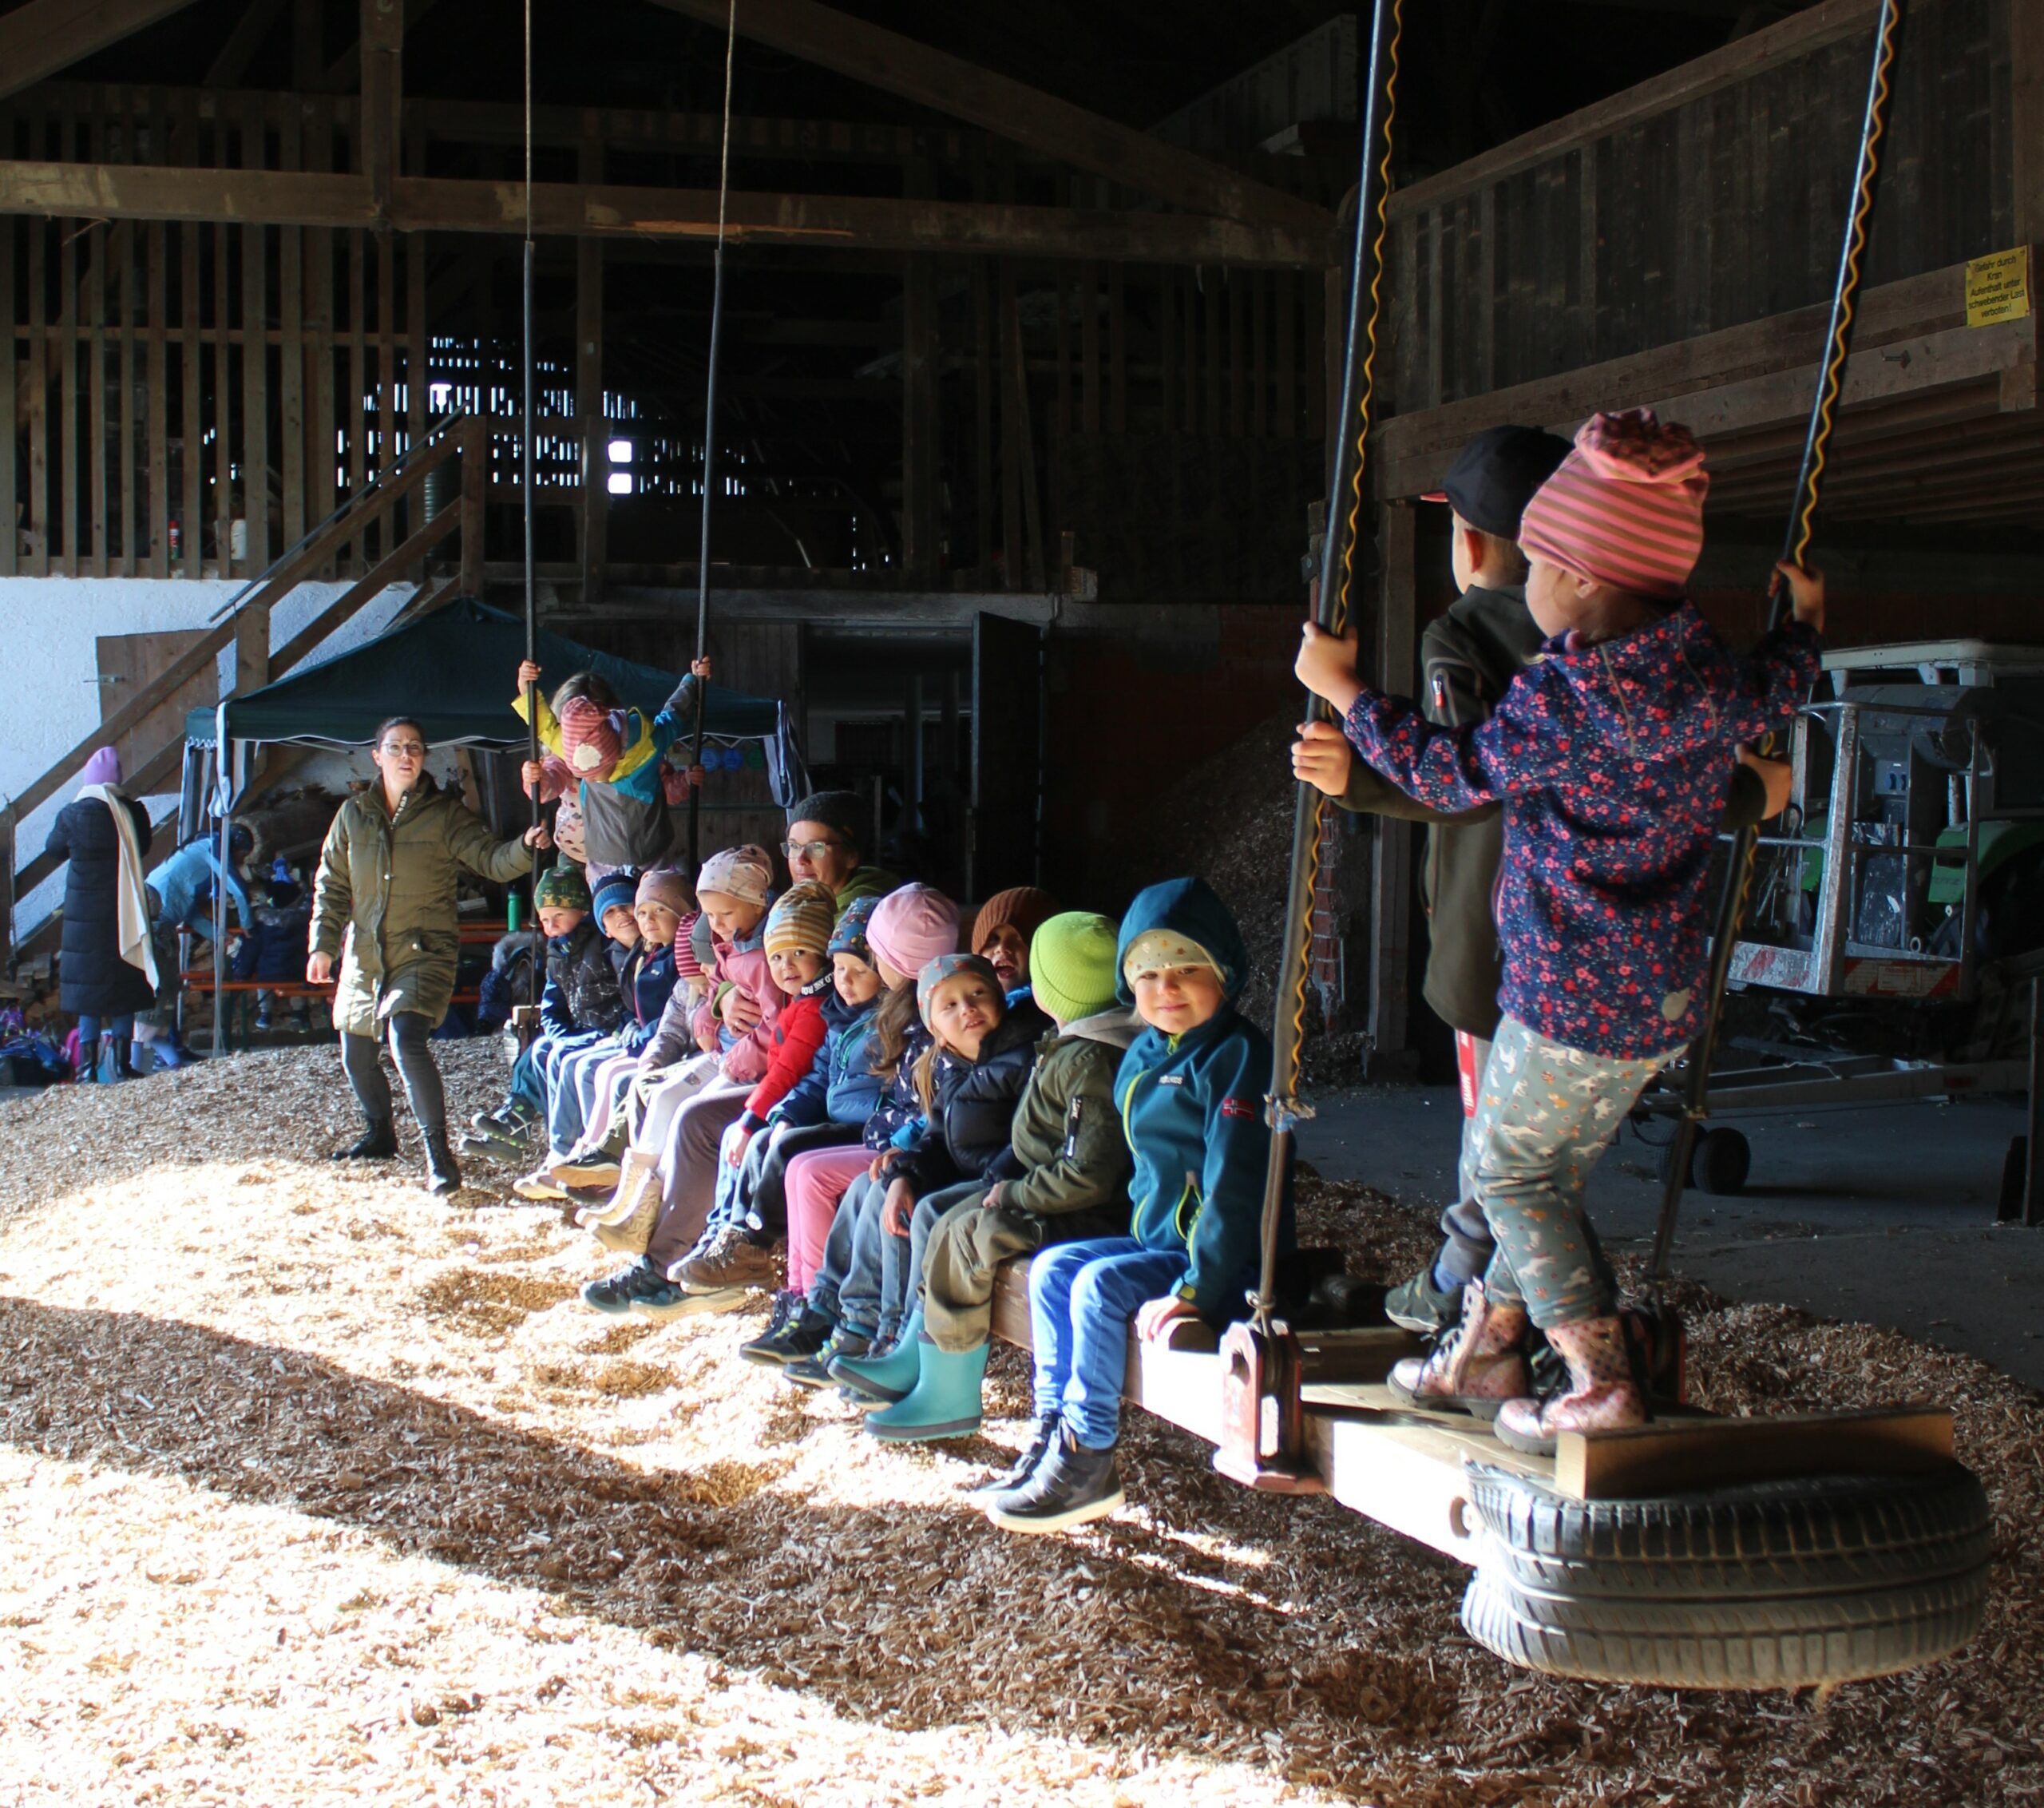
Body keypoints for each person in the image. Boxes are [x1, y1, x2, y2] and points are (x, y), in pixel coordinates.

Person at [1294, 407, 1823, 1450]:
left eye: (1538, 559)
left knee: (1511, 1177)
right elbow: (1785, 681)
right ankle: (1485, 1347)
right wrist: (1803, 619)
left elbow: (1452, 772)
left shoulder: (1566, 697)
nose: (1526, 584)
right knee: (1541, 1165)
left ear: (1577, 577)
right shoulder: (1708, 674)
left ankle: (1596, 1375)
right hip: (1662, 996)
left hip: (1568, 990)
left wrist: (1344, 690)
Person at [986, 877, 1288, 1534]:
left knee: (1095, 1286)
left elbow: (1235, 1186)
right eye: (1147, 975)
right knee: (1053, 1269)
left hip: (1226, 1266)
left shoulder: (1237, 1056)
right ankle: (1051, 1431)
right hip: (1159, 1244)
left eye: (1187, 969)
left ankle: (1089, 1456)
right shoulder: (1144, 1053)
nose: (1167, 988)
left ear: (1224, 973)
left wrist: (1196, 1289)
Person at [861, 911, 1139, 1443]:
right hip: (1050, 1191)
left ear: (1053, 988)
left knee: (968, 1231)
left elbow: (1087, 1171)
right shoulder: (1069, 1044)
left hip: (1089, 1213)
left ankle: (950, 1391)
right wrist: (910, 1169)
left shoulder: (1087, 1058)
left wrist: (1009, 1191)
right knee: (946, 1220)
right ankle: (925, 1358)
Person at [309, 715, 549, 1195]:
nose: (405, 756)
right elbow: (331, 885)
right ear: (377, 757)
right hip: (363, 955)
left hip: (424, 950)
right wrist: (321, 944)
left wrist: (524, 847)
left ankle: (438, 1154)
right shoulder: (353, 815)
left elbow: (492, 861)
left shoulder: (444, 815)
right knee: (356, 1053)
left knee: (405, 1038)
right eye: (395, 748)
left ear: (423, 757)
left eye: (414, 748)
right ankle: (379, 1134)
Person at [744, 882, 959, 1374]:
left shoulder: (920, 1016)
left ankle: (834, 1316)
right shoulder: (893, 1010)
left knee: (814, 1174)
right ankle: (809, 1302)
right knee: (799, 1165)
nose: (849, 976)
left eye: (871, 958)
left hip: (903, 1146)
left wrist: (901, 1148)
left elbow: (927, 1107)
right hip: (889, 1140)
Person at [828, 952, 1046, 1406]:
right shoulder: (953, 1071)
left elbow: (1030, 1141)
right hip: (980, 1182)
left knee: (930, 1210)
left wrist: (986, 1183)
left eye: (978, 994)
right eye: (948, 1006)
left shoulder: (1023, 1056)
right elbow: (938, 1139)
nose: (967, 1008)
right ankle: (889, 1335)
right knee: (901, 1196)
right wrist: (905, 1174)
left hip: (1011, 1182)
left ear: (1000, 999)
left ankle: (917, 1346)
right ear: (933, 1027)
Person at [577, 844, 783, 1314]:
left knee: (693, 1118)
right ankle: (649, 1221)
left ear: (755, 901)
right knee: (674, 1103)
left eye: (723, 912)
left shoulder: (770, 952)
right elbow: (705, 1007)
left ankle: (669, 1254)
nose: (715, 925)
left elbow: (776, 1032)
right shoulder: (734, 943)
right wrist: (713, 1014)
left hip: (758, 1070)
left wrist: (729, 1056)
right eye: (709, 914)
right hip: (736, 1059)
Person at [659, 878, 842, 1311]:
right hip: (787, 1095)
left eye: (800, 952)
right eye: (777, 955)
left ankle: (738, 1240)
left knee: (743, 1137)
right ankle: (719, 1233)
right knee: (725, 1132)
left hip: (800, 1101)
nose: (786, 965)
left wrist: (752, 1118)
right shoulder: (800, 1002)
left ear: (823, 954)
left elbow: (789, 1070)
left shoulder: (815, 1009)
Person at [536, 867, 688, 1187]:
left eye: (658, 911)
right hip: (640, 1038)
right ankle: (573, 1154)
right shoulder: (641, 953)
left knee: (599, 1071)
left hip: (666, 1046)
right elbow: (632, 1008)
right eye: (642, 911)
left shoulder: (677, 955)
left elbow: (677, 1013)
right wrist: (629, 1027)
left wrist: (632, 1033)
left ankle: (608, 1166)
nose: (636, 918)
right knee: (563, 1058)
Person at [513, 655, 711, 870]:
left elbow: (674, 714)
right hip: (580, 855)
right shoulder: (566, 749)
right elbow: (544, 728)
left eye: (599, 772)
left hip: (646, 851)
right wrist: (536, 779)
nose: (593, 779)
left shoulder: (646, 747)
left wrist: (693, 683)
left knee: (653, 895)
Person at [509, 868, 632, 1200]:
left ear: (580, 910)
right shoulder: (556, 950)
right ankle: (546, 1140)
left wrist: (606, 1032)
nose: (550, 926)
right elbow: (552, 1003)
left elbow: (624, 996)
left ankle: (574, 1152)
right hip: (579, 1030)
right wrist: (561, 1036)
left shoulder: (603, 944)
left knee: (575, 1063)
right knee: (543, 1050)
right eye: (544, 920)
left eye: (558, 916)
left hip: (607, 1030)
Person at [46, 745, 156, 1080]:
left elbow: (53, 849)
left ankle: (86, 1070)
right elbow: (145, 846)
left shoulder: (71, 814)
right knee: (124, 983)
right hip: (123, 910)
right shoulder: (131, 811)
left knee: (89, 991)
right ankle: (122, 1065)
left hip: (84, 916)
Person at [781, 791, 898, 915]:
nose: (801, 859)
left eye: (816, 847)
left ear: (851, 857)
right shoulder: (810, 903)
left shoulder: (857, 920)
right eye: (794, 846)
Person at [969, 886, 1060, 1005]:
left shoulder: (1047, 1012)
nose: (1002, 948)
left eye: (1018, 939)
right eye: (994, 939)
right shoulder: (967, 1007)